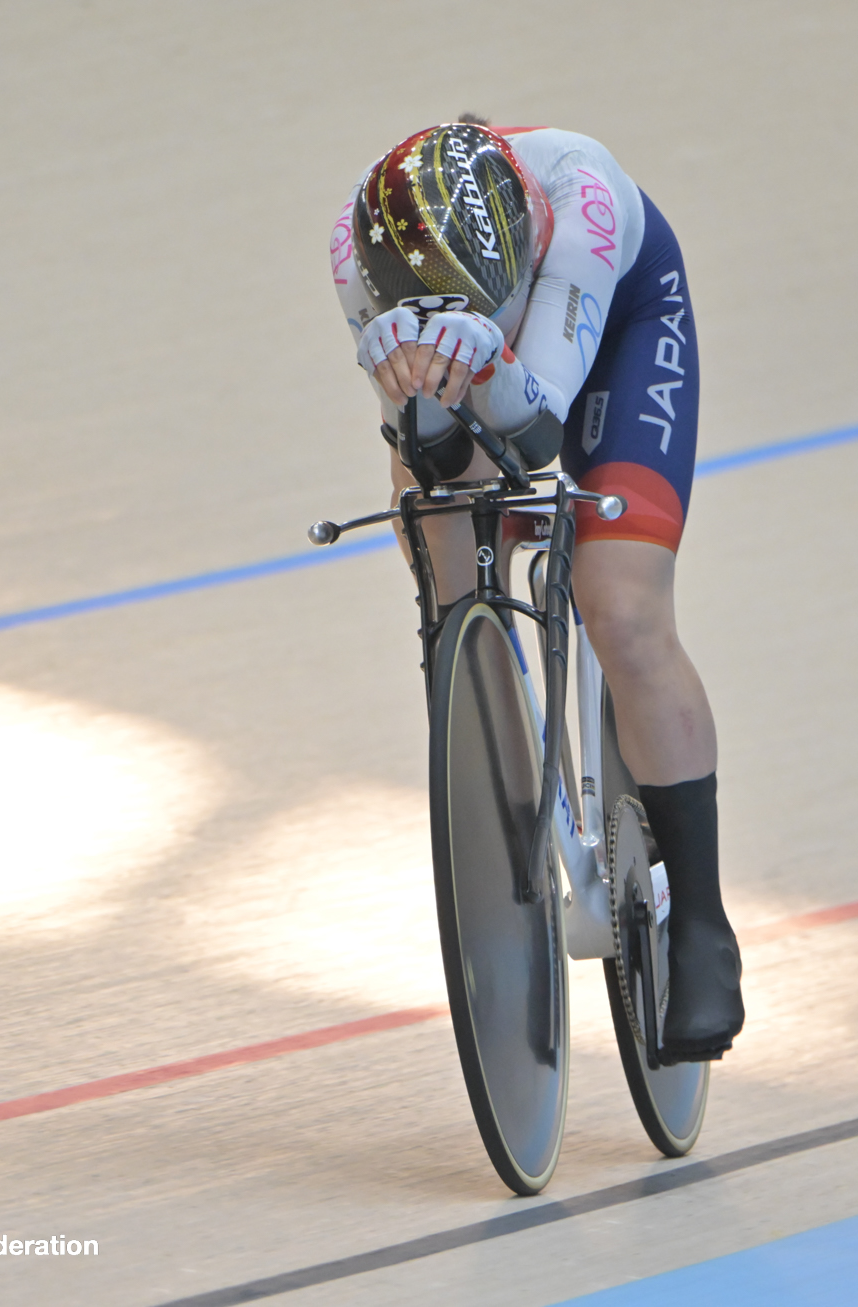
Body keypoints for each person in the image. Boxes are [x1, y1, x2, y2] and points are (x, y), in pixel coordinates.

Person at [328, 116, 744, 1061]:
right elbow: (430, 448)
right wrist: (416, 397)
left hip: (621, 318)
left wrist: (482, 360)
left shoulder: (581, 206)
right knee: (435, 528)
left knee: (622, 605)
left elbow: (537, 437)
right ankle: (493, 766)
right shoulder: (359, 250)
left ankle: (706, 923)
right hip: (488, 352)